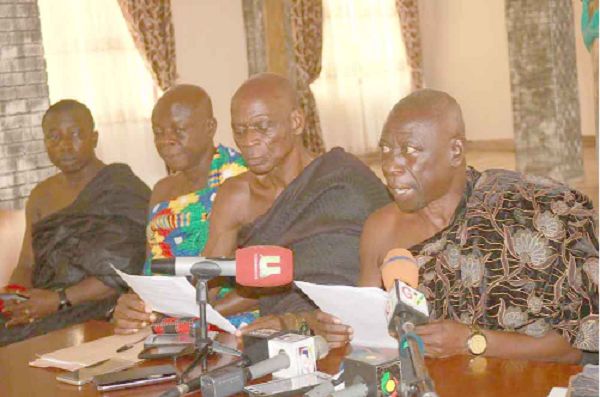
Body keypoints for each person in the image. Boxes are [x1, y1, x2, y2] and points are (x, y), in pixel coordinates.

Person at [114, 74, 391, 347]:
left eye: (262, 127)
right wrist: (145, 309)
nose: (248, 141)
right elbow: (205, 283)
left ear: (296, 122)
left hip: (347, 332)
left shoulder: (343, 180)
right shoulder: (236, 195)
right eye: (240, 130)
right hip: (272, 334)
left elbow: (376, 272)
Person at [357, 89, 598, 363]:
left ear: (455, 152)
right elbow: (368, 335)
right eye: (385, 149)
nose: (390, 165)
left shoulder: (531, 215)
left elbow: (572, 348)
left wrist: (470, 341)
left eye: (409, 151)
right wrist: (338, 329)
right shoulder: (381, 230)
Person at [1, 100, 150, 346]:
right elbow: (27, 263)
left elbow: (125, 271)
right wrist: (17, 296)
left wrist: (59, 300)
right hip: (44, 305)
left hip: (101, 308)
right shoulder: (41, 195)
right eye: (54, 137)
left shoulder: (123, 188)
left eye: (75, 134)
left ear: (94, 138)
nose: (65, 146)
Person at [112, 85, 248, 334]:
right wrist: (130, 308)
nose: (166, 141)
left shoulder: (243, 179)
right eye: (158, 132)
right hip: (167, 324)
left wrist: (191, 316)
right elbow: (152, 268)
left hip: (230, 323)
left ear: (210, 128)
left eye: (178, 129)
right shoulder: (161, 191)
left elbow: (266, 281)